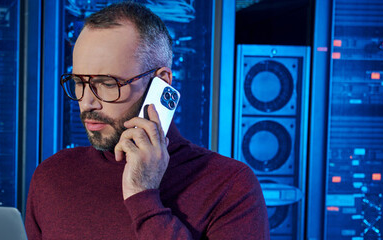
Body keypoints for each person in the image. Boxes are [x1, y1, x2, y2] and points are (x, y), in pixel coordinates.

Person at [25, 2, 269, 239]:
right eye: (80, 82)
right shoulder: (52, 176)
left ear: (161, 82)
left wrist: (143, 197)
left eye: (108, 84)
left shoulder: (230, 186)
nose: (87, 102)